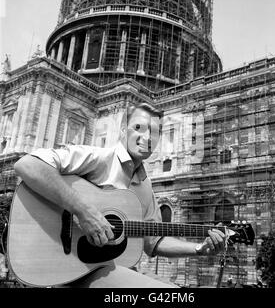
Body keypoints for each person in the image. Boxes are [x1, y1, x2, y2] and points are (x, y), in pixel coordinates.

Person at [14, 102, 226, 288]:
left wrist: (200, 248)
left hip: (105, 269)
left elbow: (153, 243)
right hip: (71, 266)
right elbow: (27, 165)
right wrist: (83, 211)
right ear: (123, 131)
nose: (147, 138)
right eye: (138, 128)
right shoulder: (98, 158)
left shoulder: (144, 187)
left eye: (155, 132)